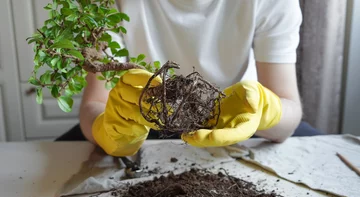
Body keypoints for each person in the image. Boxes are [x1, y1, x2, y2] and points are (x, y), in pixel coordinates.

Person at [56, 0, 322, 156]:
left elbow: (288, 112)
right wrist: (109, 133)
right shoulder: (100, 7)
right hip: (141, 123)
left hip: (234, 119)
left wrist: (266, 111)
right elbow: (94, 104)